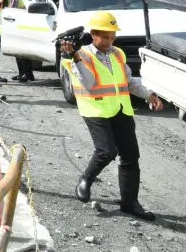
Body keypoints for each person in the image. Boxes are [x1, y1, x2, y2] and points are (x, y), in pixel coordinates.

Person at [61, 12, 164, 220]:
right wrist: (75, 58)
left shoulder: (117, 54)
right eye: (105, 37)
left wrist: (148, 95)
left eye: (112, 37)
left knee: (130, 156)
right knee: (106, 151)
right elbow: (88, 85)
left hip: (120, 109)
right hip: (96, 111)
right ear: (93, 35)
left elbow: (129, 81)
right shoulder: (78, 57)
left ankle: (130, 203)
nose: (110, 41)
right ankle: (85, 179)